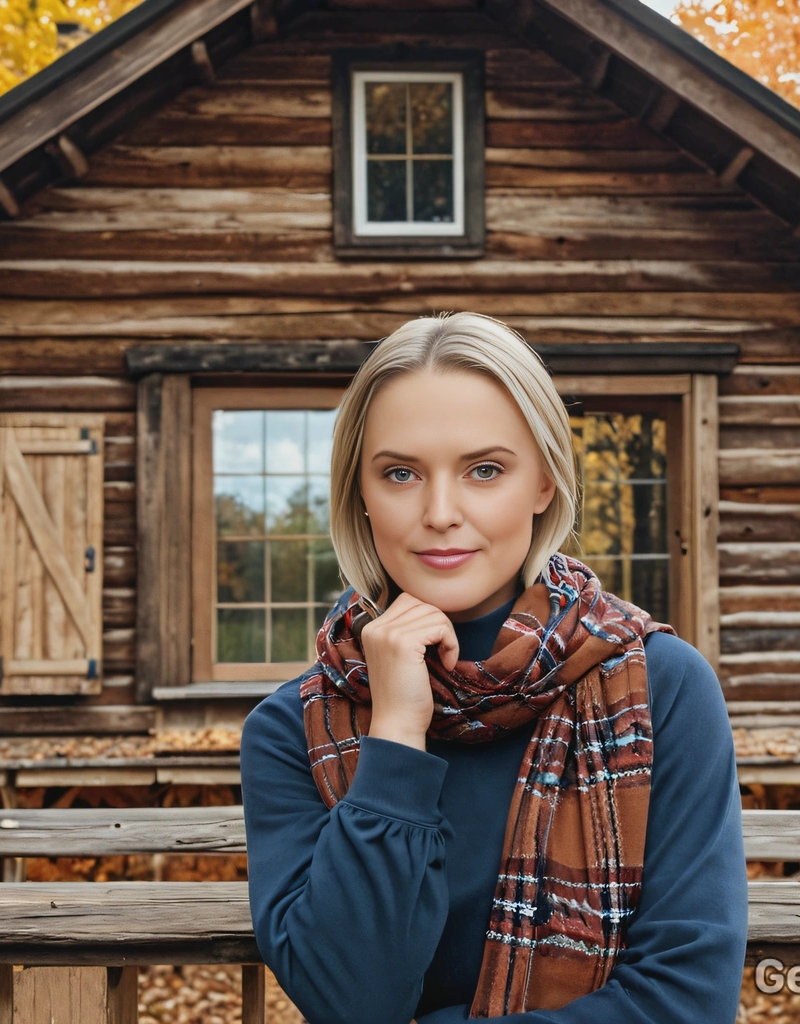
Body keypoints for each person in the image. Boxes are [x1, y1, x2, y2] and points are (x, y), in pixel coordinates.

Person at [239, 311, 748, 1024]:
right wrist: (394, 737)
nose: (440, 512)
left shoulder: (661, 688)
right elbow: (351, 999)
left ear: (543, 483)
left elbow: (687, 1002)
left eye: (484, 470)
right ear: (360, 490)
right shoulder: (290, 730)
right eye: (400, 472)